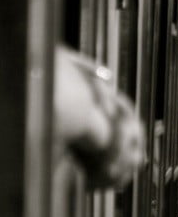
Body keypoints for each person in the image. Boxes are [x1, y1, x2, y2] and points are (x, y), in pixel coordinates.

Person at [54, 47, 144, 189]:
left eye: (135, 143)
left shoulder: (83, 105)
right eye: (136, 143)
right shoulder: (83, 103)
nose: (140, 159)